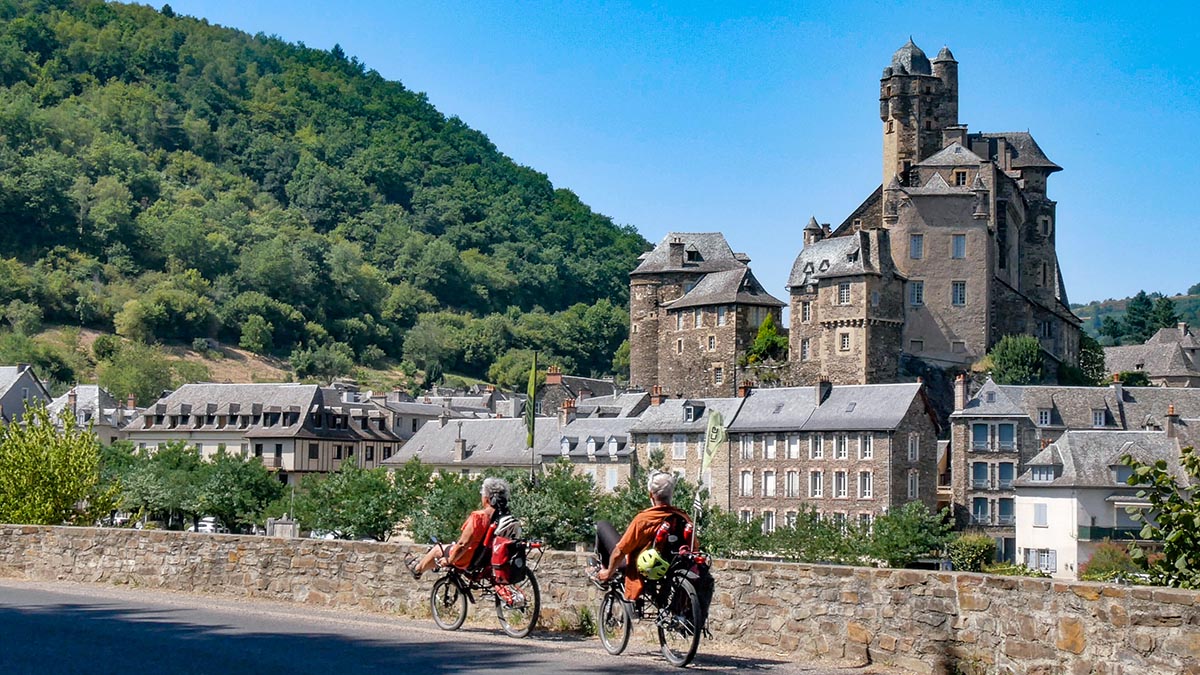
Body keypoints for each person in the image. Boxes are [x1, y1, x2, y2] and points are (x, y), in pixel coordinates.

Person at [595, 470, 691, 601]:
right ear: (671, 494)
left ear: (651, 495)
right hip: (670, 564)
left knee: (602, 525)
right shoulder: (682, 517)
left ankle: (605, 570)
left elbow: (620, 551)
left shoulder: (644, 519)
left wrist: (608, 572)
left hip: (640, 567)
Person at [407, 476, 511, 579]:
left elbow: (462, 544)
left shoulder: (479, 517)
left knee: (437, 549)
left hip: (468, 558)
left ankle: (417, 569)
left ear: (488, 498)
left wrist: (449, 560)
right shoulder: (503, 517)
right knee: (448, 547)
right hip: (485, 558)